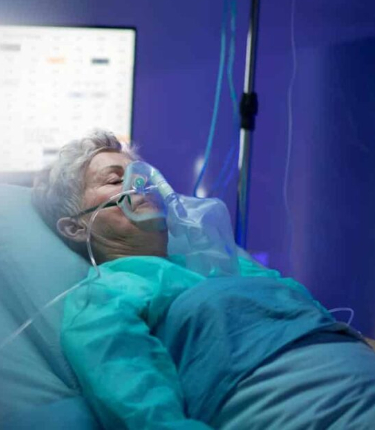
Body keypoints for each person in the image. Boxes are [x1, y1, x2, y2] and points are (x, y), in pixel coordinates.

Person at [32, 130, 375, 429]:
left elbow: (321, 324)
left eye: (141, 174)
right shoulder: (105, 296)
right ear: (75, 227)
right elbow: (142, 409)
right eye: (113, 179)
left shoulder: (226, 267)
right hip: (302, 404)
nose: (139, 183)